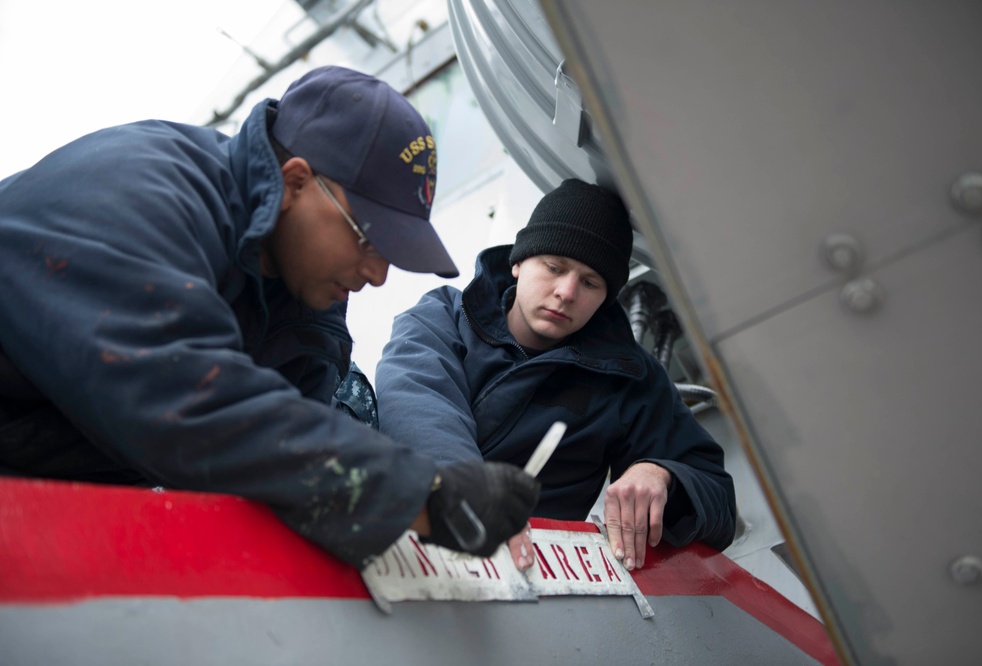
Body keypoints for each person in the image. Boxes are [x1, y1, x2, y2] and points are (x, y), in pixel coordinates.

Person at [0, 65, 539, 568]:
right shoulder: (139, 193)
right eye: (368, 239)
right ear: (296, 182)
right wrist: (423, 496)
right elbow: (187, 402)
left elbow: (285, 471)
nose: (378, 275)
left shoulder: (308, 313)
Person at [375, 178, 736, 571]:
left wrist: (664, 475)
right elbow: (417, 403)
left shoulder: (630, 380)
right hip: (403, 547)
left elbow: (718, 502)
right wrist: (473, 495)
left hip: (537, 583)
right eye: (554, 267)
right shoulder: (439, 318)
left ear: (604, 299)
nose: (566, 291)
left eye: (590, 282)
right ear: (518, 262)